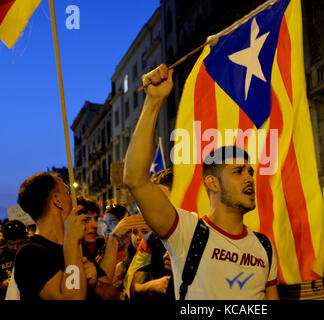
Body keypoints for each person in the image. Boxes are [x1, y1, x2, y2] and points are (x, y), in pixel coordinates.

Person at [123, 64, 279, 300]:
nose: (249, 178)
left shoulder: (265, 247)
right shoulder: (186, 231)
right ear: (212, 183)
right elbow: (135, 179)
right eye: (238, 171)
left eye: (250, 171)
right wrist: (153, 103)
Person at [14, 172, 89, 300]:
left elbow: (112, 293)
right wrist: (71, 242)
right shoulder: (29, 254)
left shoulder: (78, 244)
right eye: (68, 193)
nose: (72, 199)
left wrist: (94, 283)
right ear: (57, 200)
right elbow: (72, 298)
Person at [127, 167, 175, 300]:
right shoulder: (149, 241)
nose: (155, 207)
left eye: (162, 199)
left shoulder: (205, 232)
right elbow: (131, 289)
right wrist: (151, 286)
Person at [0, 220, 27, 300]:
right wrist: (3, 285)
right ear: (5, 242)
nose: (15, 248)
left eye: (19, 243)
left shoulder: (31, 254)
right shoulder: (1, 257)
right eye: (11, 244)